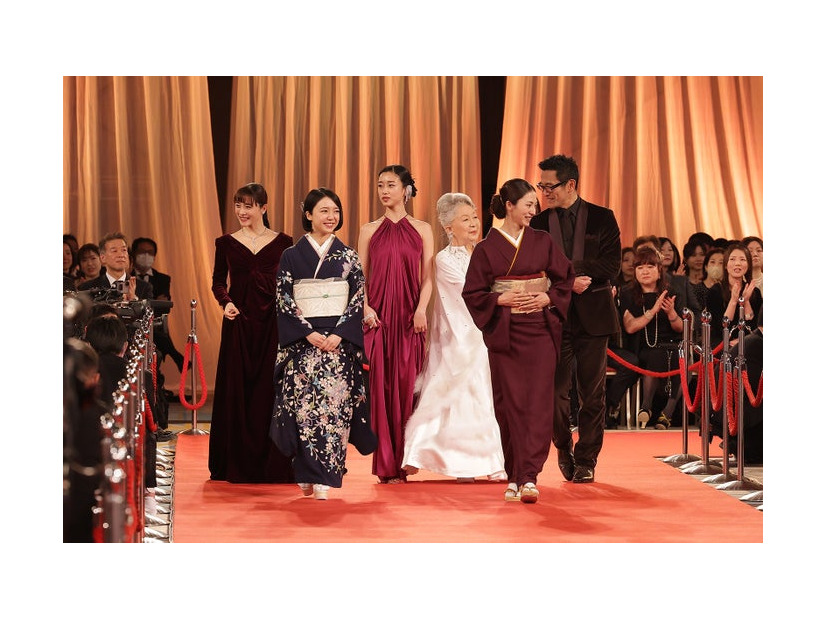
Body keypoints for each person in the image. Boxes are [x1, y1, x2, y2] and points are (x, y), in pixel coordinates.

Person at [463, 178, 574, 503]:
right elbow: (472, 292)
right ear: (509, 206)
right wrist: (499, 299)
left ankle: (529, 477)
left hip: (539, 331)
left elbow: (565, 277)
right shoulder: (486, 248)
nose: (532, 211)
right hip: (506, 333)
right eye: (527, 205)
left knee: (538, 404)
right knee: (508, 404)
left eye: (534, 205)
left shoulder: (543, 241)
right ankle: (514, 474)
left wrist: (547, 298)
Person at [270, 188, 375, 501]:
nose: (331, 217)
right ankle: (305, 471)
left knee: (335, 409)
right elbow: (283, 298)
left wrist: (340, 334)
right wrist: (306, 332)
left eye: (335, 211)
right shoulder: (291, 256)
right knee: (304, 410)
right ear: (309, 215)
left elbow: (357, 298)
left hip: (338, 346)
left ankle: (326, 476)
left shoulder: (349, 256)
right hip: (304, 344)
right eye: (324, 211)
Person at [401, 192, 506, 482]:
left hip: (484, 331)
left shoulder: (484, 252)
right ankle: (451, 460)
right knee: (451, 392)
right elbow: (469, 291)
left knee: (482, 394)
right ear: (449, 227)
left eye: (474, 217)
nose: (473, 224)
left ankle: (487, 461)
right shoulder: (444, 259)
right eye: (465, 219)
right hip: (456, 333)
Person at [529, 154, 621, 484]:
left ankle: (587, 459)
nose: (544, 192)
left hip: (594, 316)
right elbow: (534, 267)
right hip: (554, 315)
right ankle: (562, 446)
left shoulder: (602, 217)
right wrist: (570, 279)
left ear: (570, 184)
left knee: (592, 393)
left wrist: (568, 269)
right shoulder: (539, 223)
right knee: (554, 393)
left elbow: (611, 266)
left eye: (549, 186)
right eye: (541, 186)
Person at [209, 182, 294, 483]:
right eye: (238, 205)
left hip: (274, 325)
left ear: (263, 208)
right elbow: (218, 282)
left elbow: (290, 282)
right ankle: (236, 462)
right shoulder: (226, 243)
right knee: (238, 388)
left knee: (269, 390)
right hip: (239, 323)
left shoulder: (284, 243)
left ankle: (272, 464)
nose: (241, 211)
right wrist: (226, 302)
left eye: (248, 206)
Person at [358, 164, 434, 484]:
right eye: (380, 185)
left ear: (406, 190)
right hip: (378, 321)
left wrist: (421, 310)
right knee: (380, 390)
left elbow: (428, 278)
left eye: (391, 184)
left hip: (409, 321)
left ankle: (407, 459)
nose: (384, 191)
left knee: (407, 389)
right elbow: (359, 277)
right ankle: (386, 465)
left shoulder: (423, 229)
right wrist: (365, 308)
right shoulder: (368, 230)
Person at [619, 247, 685, 429]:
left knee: (682, 357)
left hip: (672, 345)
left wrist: (671, 313)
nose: (645, 271)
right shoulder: (627, 293)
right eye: (640, 267)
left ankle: (667, 413)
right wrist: (653, 311)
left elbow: (680, 328)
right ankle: (646, 406)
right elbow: (630, 327)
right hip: (645, 347)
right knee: (657, 354)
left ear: (659, 270)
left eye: (650, 267)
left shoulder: (672, 291)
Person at [131, 236, 186, 374]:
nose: (146, 255)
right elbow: (155, 302)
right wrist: (154, 302)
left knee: (155, 329)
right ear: (133, 254)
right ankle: (176, 356)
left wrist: (149, 304)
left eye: (150, 252)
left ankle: (168, 365)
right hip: (133, 322)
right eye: (142, 252)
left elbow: (164, 306)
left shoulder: (163, 279)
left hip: (153, 321)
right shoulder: (126, 276)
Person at [706, 242, 762, 348]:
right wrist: (733, 301)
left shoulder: (755, 292)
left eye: (742, 259)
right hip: (722, 344)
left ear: (748, 265)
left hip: (748, 344)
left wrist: (746, 302)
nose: (737, 263)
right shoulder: (715, 291)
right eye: (732, 259)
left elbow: (755, 326)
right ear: (725, 265)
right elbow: (720, 328)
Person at [78, 232, 154, 302]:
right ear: (103, 258)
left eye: (124, 250)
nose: (121, 255)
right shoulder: (87, 288)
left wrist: (133, 300)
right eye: (114, 251)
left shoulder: (143, 287)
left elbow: (149, 311)